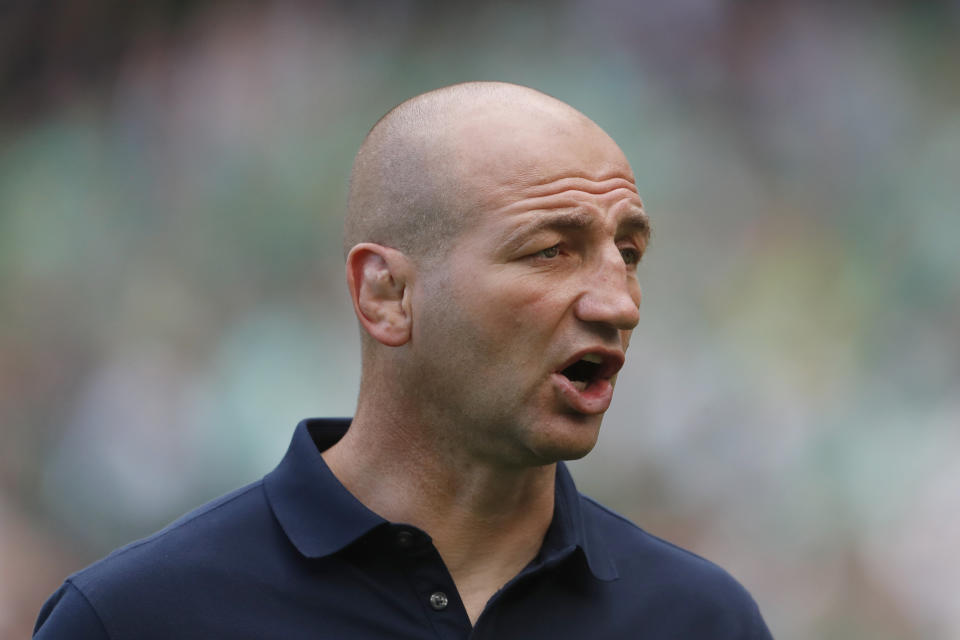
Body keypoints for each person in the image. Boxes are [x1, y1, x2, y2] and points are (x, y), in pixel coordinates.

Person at [34, 81, 773, 639]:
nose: (619, 304)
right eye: (551, 252)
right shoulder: (135, 618)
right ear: (386, 294)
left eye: (629, 253)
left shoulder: (701, 619)